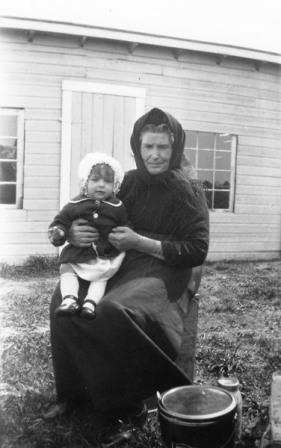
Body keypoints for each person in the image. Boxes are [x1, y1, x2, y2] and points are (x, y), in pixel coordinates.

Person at [44, 108, 209, 433]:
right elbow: (95, 209)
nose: (155, 155)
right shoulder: (130, 182)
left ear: (175, 148)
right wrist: (75, 232)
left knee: (111, 311)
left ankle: (127, 405)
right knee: (62, 301)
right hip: (123, 261)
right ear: (138, 146)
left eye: (162, 147)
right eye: (148, 147)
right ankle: (75, 394)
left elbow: (197, 250)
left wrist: (140, 242)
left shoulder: (190, 190)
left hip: (166, 270)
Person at [48, 152, 127, 319]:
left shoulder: (117, 207)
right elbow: (61, 220)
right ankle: (69, 299)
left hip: (104, 253)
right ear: (85, 182)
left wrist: (123, 234)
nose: (101, 185)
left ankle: (90, 303)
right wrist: (59, 232)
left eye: (107, 182)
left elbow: (125, 223)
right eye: (95, 180)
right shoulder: (75, 204)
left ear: (115, 186)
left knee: (101, 277)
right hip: (79, 252)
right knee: (66, 266)